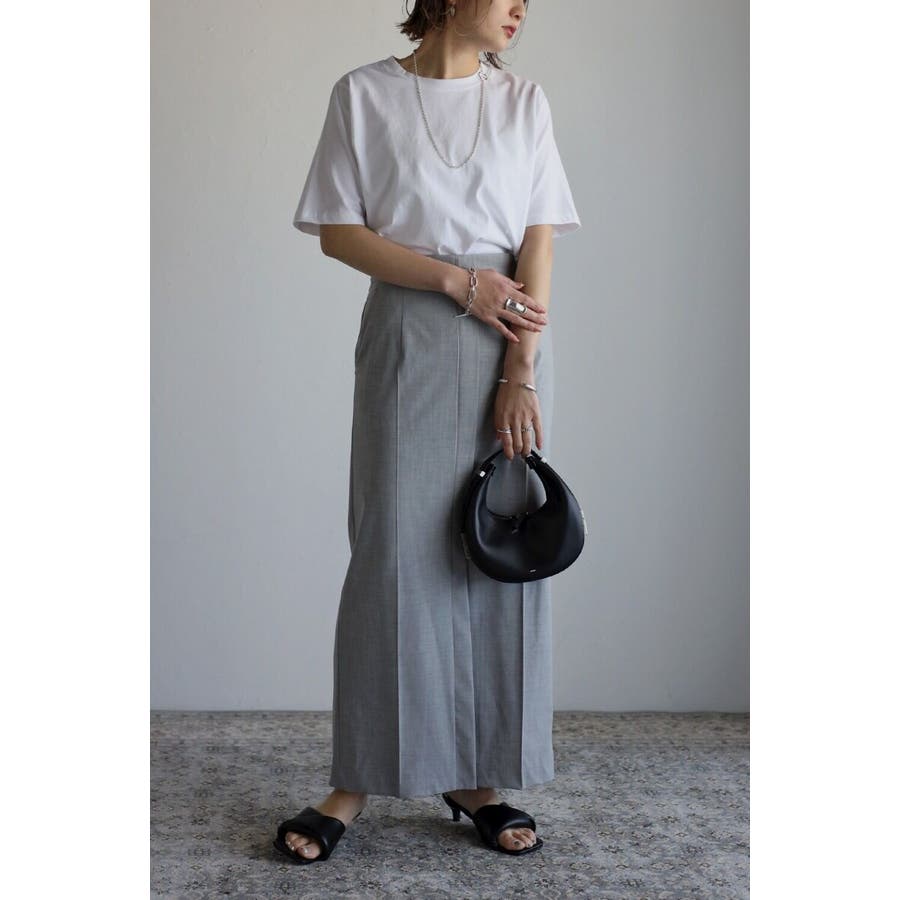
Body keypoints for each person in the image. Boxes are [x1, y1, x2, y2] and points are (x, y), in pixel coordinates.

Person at [273, 0, 580, 863]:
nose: (522, 7)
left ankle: (477, 776)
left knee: (495, 554)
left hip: (510, 340)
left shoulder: (523, 102)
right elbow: (339, 233)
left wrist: (520, 368)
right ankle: (356, 778)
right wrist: (455, 282)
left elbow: (538, 241)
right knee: (395, 556)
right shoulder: (364, 95)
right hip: (409, 332)